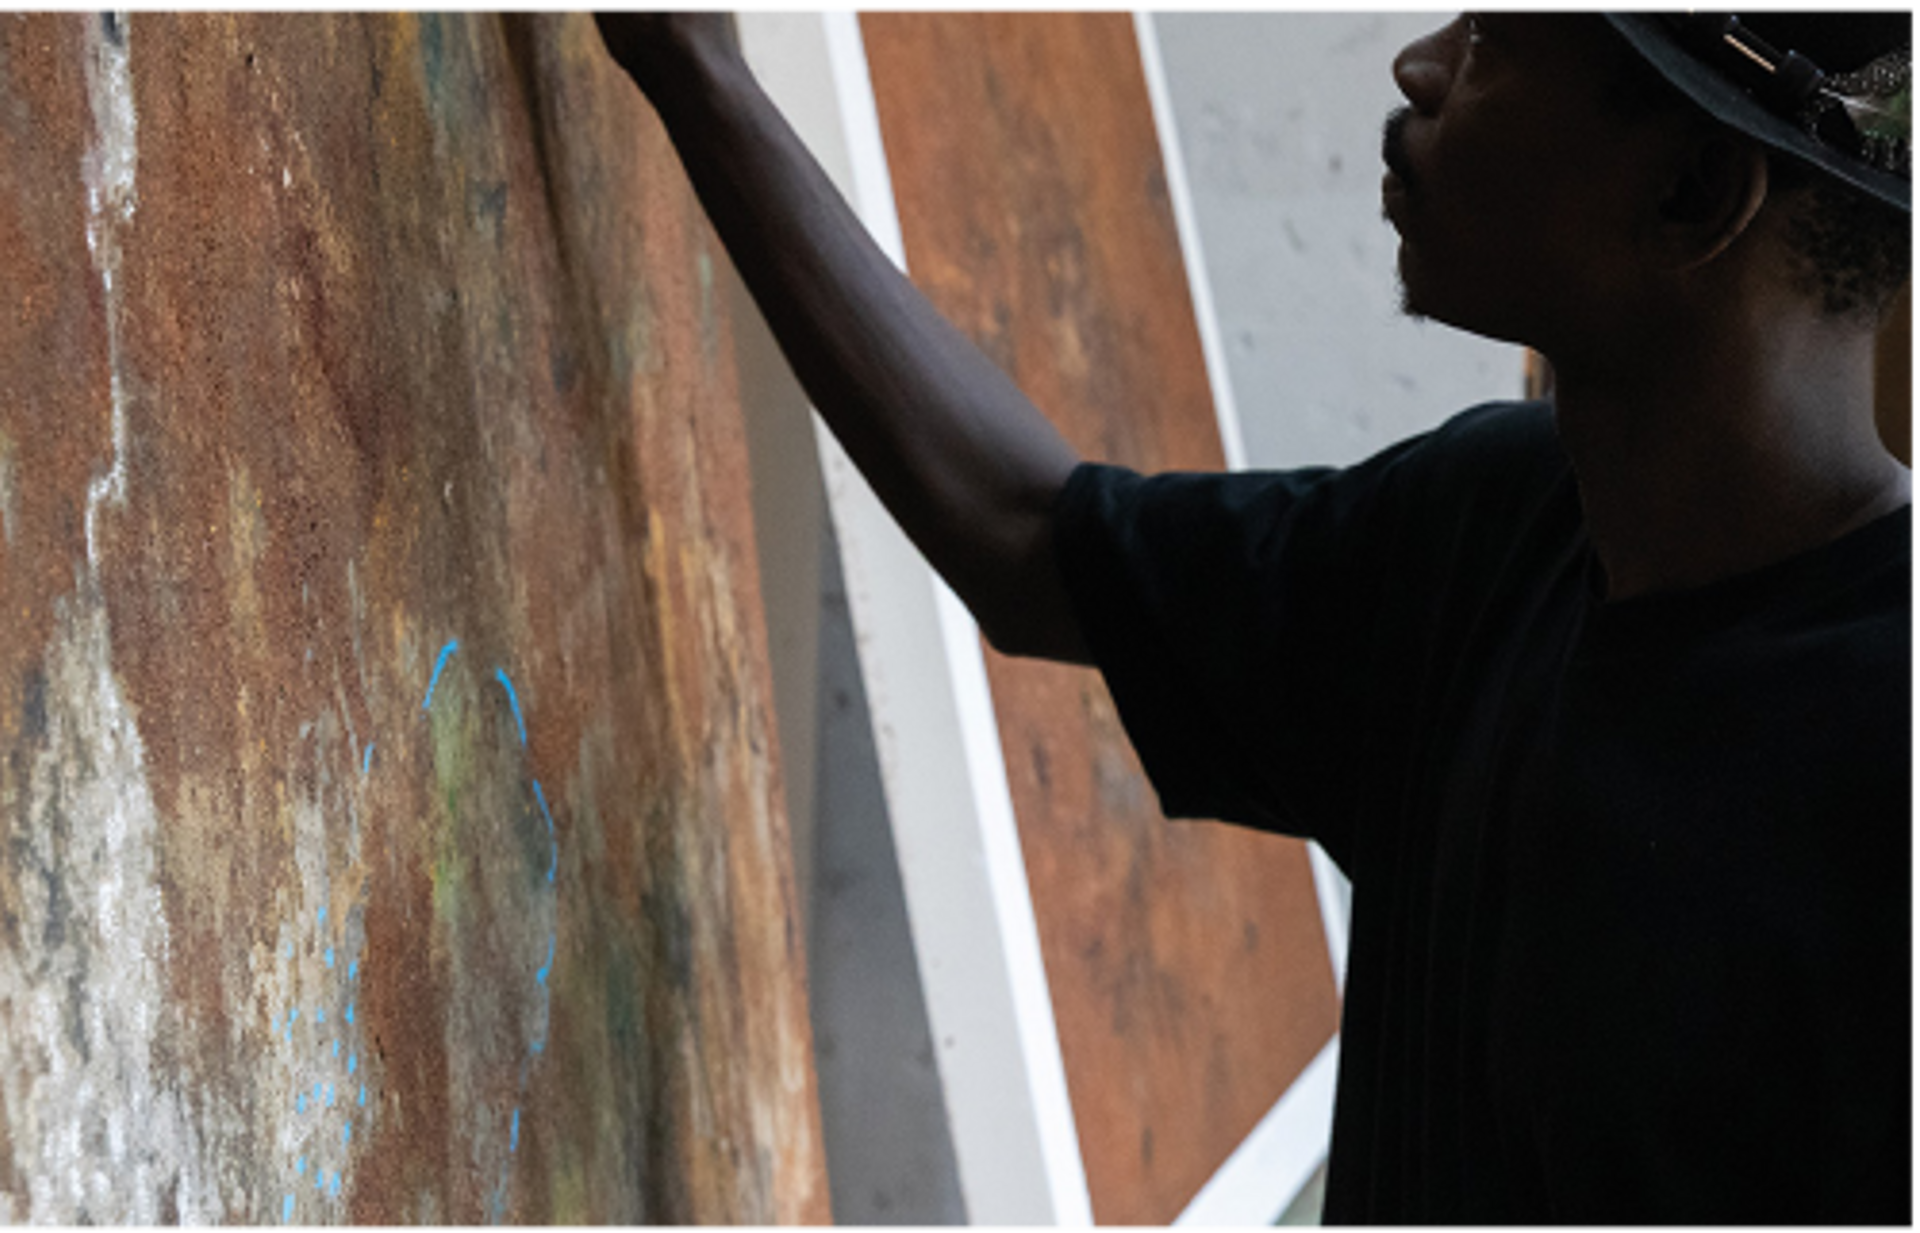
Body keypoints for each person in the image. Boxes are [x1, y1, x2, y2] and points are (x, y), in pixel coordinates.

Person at [593, 1, 1917, 1224]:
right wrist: (697, 69)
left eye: (1497, 36)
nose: (1420, 66)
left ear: (1693, 193)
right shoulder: (1497, 530)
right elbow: (1028, 539)